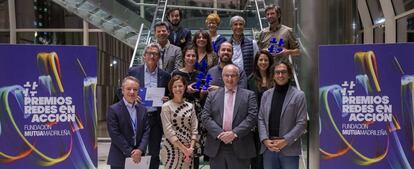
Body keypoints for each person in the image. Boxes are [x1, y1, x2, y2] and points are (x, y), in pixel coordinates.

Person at [201, 64, 258, 169]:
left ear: (238, 77)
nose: (230, 78)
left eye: (233, 75)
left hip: (241, 145)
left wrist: (234, 133)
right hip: (217, 146)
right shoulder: (212, 95)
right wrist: (220, 134)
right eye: (227, 75)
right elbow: (205, 117)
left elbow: (252, 117)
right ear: (222, 77)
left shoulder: (249, 95)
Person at [127, 43, 171, 169]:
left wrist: (166, 100)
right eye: (150, 53)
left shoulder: (165, 75)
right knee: (136, 150)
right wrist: (133, 97)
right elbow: (122, 91)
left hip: (155, 119)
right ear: (144, 56)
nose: (152, 56)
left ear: (159, 57)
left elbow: (169, 96)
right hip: (137, 117)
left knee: (154, 152)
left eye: (156, 54)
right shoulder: (133, 72)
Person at [258, 61, 307, 169]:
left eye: (284, 72)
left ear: (289, 75)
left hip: (289, 149)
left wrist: (285, 141)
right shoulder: (266, 95)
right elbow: (261, 119)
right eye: (277, 72)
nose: (280, 75)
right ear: (273, 76)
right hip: (269, 148)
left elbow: (302, 123)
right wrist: (265, 140)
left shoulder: (299, 95)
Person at [106, 76, 150, 169]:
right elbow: (114, 134)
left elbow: (146, 131)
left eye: (135, 89)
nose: (132, 92)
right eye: (128, 89)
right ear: (122, 90)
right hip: (119, 158)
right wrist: (131, 152)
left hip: (139, 157)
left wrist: (140, 150)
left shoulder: (143, 110)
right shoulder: (113, 109)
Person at [160, 75, 199, 169]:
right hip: (171, 150)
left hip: (189, 149)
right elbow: (168, 132)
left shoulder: (190, 106)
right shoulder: (166, 106)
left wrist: (190, 149)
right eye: (175, 86)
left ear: (185, 87)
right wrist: (184, 149)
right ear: (171, 89)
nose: (178, 89)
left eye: (180, 86)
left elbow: (194, 129)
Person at [247, 50, 274, 169]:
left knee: (272, 154)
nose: (263, 62)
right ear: (256, 62)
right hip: (257, 124)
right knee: (257, 157)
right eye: (260, 60)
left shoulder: (276, 78)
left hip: (273, 122)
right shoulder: (250, 80)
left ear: (270, 62)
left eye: (266, 60)